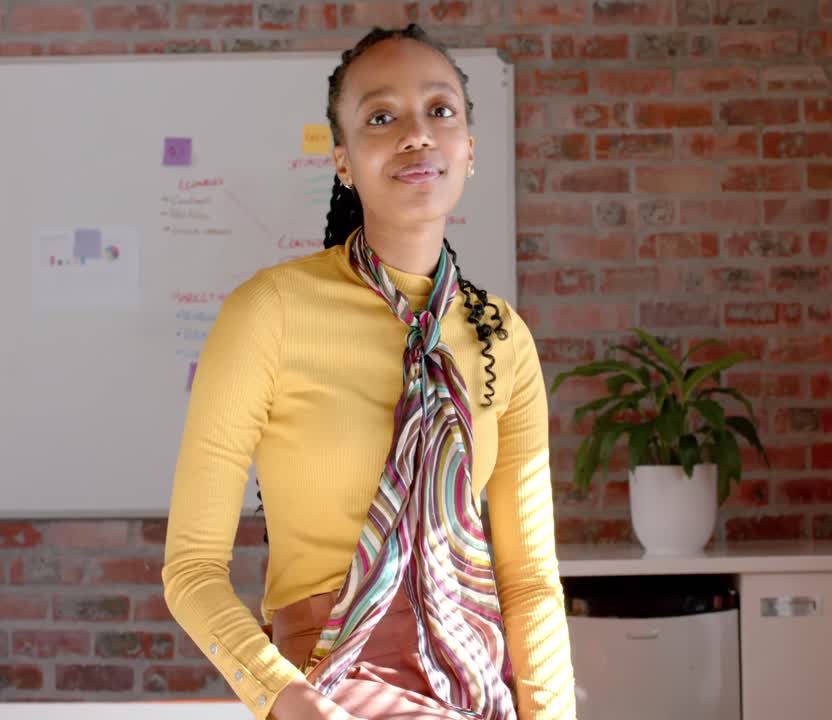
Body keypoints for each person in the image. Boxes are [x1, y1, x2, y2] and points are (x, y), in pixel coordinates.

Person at [161, 24, 576, 720]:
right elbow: (192, 571)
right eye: (381, 118)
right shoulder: (269, 312)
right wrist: (292, 701)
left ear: (469, 149)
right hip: (330, 676)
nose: (417, 135)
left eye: (440, 111)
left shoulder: (502, 338)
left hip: (476, 682)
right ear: (344, 162)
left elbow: (529, 581)